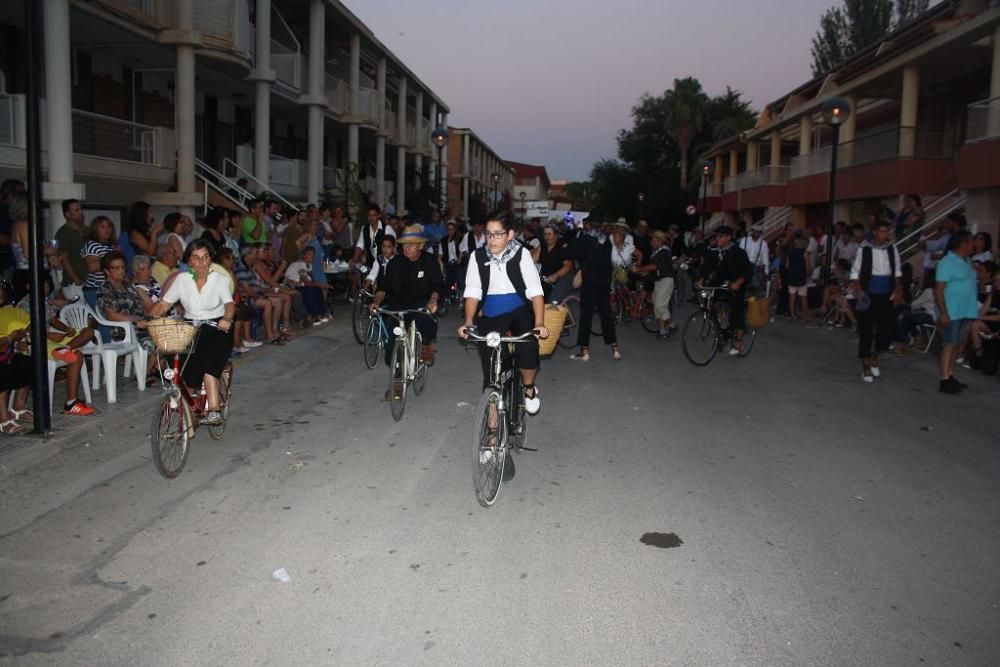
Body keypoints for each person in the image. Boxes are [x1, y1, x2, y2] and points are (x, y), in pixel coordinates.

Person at [458, 218, 547, 423]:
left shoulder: (521, 255)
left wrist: (539, 323)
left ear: (509, 235)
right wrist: (468, 321)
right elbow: (472, 292)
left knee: (527, 349)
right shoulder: (477, 257)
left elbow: (535, 292)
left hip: (519, 311)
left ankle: (529, 388)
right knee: (492, 372)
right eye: (489, 234)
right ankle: (491, 429)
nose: (492, 239)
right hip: (491, 315)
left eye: (498, 234)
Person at [149, 239, 235, 426]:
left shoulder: (219, 280)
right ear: (189, 261)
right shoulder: (182, 280)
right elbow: (164, 304)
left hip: (216, 326)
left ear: (210, 260)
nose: (201, 263)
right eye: (196, 258)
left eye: (205, 257)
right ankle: (189, 404)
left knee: (210, 357)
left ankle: (214, 409)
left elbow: (229, 304)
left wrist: (227, 319)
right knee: (174, 357)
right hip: (190, 327)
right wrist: (151, 317)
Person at [370, 224, 442, 384]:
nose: (407, 248)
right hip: (399, 305)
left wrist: (433, 300)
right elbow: (384, 286)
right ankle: (397, 374)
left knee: (427, 317)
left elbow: (437, 285)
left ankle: (426, 345)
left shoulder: (429, 261)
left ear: (421, 245)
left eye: (411, 245)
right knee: (390, 344)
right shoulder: (395, 263)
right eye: (405, 245)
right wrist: (376, 301)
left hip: (422, 303)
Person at [0, 302, 95, 417]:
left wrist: (66, 329)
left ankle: (64, 349)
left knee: (88, 332)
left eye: (1, 289)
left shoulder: (12, 310)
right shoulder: (25, 303)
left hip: (42, 338)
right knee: (76, 356)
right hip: (30, 344)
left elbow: (33, 326)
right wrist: (47, 335)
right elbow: (14, 338)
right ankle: (71, 404)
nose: (1, 292)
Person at [850, 220, 903, 383]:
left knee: (885, 331)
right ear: (874, 232)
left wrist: (898, 289)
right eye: (882, 231)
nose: (885, 234)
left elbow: (897, 271)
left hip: (886, 295)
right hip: (869, 293)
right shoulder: (865, 249)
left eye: (886, 231)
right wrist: (858, 289)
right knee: (866, 331)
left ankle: (875, 356)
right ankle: (865, 366)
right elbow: (855, 272)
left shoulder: (891, 248)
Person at [97, 250, 159, 382]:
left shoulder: (127, 285)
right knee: (159, 339)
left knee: (168, 333)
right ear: (107, 271)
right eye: (117, 268)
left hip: (139, 325)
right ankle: (145, 373)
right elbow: (111, 315)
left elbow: (141, 306)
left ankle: (150, 369)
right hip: (123, 330)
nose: (121, 271)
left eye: (123, 267)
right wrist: (136, 319)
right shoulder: (105, 289)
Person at [696, 225, 753, 354]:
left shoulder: (738, 252)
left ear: (728, 238)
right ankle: (718, 323)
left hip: (736, 284)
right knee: (706, 296)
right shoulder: (713, 251)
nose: (718, 238)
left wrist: (738, 282)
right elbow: (706, 268)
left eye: (721, 236)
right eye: (717, 236)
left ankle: (738, 340)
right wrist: (700, 279)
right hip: (720, 283)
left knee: (737, 309)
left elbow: (748, 271)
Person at [934, 230, 978, 394]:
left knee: (958, 344)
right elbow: (939, 290)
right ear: (962, 244)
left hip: (964, 310)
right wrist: (944, 313)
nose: (973, 245)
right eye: (970, 242)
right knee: (949, 344)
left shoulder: (967, 261)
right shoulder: (947, 262)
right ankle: (944, 379)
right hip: (952, 311)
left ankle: (951, 374)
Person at [569, 222, 620, 361]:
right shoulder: (608, 240)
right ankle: (615, 349)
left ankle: (584, 351)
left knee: (586, 316)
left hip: (590, 282)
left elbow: (572, 252)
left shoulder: (585, 239)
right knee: (606, 315)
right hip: (604, 282)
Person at [635, 230, 677, 338]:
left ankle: (671, 325)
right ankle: (662, 330)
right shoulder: (658, 252)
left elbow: (654, 266)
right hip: (658, 281)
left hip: (666, 280)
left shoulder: (664, 252)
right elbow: (654, 269)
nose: (651, 242)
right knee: (656, 306)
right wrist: (645, 272)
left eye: (653, 240)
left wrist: (639, 269)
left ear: (660, 241)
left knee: (659, 305)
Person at [54, 198, 89, 299]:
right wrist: (76, 280)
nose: (81, 212)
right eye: (77, 210)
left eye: (81, 209)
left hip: (89, 281)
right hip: (73, 285)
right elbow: (64, 259)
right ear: (68, 214)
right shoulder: (63, 232)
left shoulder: (87, 230)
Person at [285, 246, 329, 325]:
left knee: (317, 289)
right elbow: (306, 281)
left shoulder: (309, 265)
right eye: (309, 254)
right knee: (310, 290)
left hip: (301, 285)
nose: (311, 256)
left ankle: (321, 314)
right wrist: (321, 284)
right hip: (292, 285)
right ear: (304, 255)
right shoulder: (301, 264)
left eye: (313, 254)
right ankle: (314, 315)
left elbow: (311, 280)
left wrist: (319, 285)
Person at [81, 216, 116, 311]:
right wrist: (111, 257)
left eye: (109, 226)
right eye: (102, 226)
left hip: (110, 289)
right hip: (95, 289)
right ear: (95, 229)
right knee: (104, 317)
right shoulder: (92, 245)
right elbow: (91, 267)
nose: (107, 229)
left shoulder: (112, 246)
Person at [531, 224, 573, 303]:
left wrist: (556, 275)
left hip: (558, 278)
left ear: (556, 235)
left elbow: (568, 266)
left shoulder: (562, 247)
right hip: (543, 278)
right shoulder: (542, 245)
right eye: (545, 234)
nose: (547, 237)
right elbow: (533, 260)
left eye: (549, 234)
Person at [8, 192, 31, 302]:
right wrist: (47, 251)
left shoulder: (17, 224)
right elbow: (28, 254)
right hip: (27, 274)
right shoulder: (24, 225)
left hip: (22, 273)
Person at [738, 223, 770, 297]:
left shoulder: (763, 244)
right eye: (755, 231)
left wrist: (765, 273)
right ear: (752, 231)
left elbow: (765, 259)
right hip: (744, 267)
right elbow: (739, 255)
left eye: (759, 232)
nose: (757, 233)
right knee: (742, 288)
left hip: (756, 269)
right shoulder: (744, 240)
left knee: (754, 289)